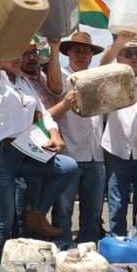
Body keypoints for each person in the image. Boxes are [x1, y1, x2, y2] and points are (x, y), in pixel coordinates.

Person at [0, 51, 79, 272]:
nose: (17, 58)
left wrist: (54, 134)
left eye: (20, 54)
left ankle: (37, 215)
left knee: (68, 167)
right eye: (12, 52)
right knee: (5, 219)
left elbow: (42, 113)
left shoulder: (23, 81)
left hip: (26, 150)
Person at [49, 32, 106, 247]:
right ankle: (63, 248)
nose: (82, 55)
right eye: (77, 50)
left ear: (92, 56)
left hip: (96, 154)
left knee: (93, 210)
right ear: (68, 53)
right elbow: (53, 95)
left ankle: (88, 249)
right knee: (63, 209)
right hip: (69, 154)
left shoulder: (98, 77)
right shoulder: (60, 76)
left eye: (87, 51)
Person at [100, 34, 137, 239]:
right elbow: (103, 62)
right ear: (119, 56)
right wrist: (118, 43)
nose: (134, 58)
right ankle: (117, 244)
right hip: (116, 150)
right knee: (117, 204)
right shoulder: (109, 78)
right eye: (128, 54)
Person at [18, 37, 62, 237]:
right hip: (27, 146)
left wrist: (54, 48)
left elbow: (56, 90)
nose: (32, 58)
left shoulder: (42, 77)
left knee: (62, 173)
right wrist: (67, 105)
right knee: (27, 197)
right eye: (26, 54)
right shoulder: (17, 80)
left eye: (34, 52)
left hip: (48, 143)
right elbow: (38, 116)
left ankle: (36, 220)